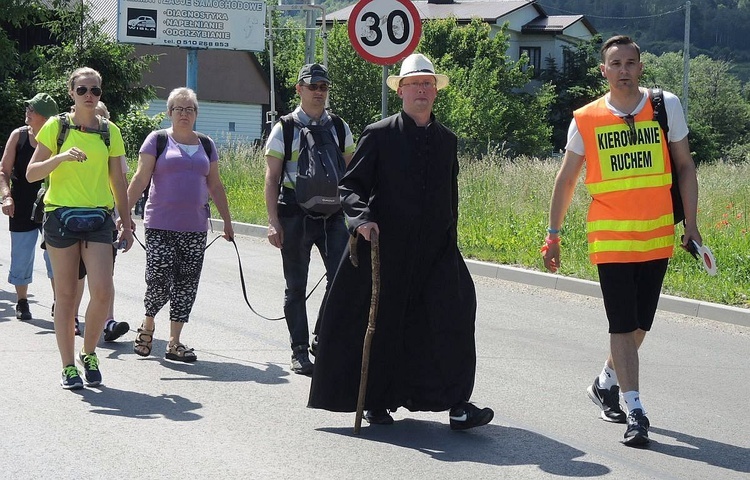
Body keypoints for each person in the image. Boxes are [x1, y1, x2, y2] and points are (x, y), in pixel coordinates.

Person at [308, 53, 494, 430]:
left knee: (453, 316)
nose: (422, 90)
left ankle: (457, 403)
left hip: (435, 252)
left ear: (435, 93)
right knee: (382, 325)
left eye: (428, 84)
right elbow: (352, 186)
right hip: (386, 248)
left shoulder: (447, 140)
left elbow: (450, 196)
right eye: (414, 85)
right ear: (402, 92)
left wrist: (450, 243)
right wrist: (362, 220)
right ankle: (377, 401)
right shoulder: (379, 134)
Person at [542, 35, 703, 447]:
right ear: (604, 70)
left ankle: (605, 381)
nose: (624, 69)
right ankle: (636, 411)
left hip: (656, 234)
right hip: (610, 237)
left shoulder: (665, 106)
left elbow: (684, 167)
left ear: (641, 68)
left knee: (639, 325)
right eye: (616, 63)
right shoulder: (587, 118)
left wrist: (692, 224)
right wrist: (553, 234)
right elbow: (566, 179)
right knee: (620, 322)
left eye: (631, 62)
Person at [27, 67, 134, 390]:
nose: (90, 95)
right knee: (68, 296)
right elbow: (32, 173)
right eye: (83, 90)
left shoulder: (109, 131)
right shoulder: (55, 127)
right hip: (60, 217)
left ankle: (89, 353)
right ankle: (67, 365)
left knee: (103, 290)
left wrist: (126, 223)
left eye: (95, 90)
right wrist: (60, 159)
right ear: (71, 93)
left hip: (99, 219)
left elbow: (118, 180)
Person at [127, 87, 233, 364]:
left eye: (190, 109)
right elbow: (140, 179)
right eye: (179, 109)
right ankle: (148, 325)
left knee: (186, 284)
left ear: (196, 114)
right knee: (159, 277)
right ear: (169, 112)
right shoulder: (158, 140)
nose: (184, 114)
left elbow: (215, 185)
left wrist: (228, 222)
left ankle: (174, 342)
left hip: (195, 227)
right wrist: (124, 214)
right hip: (160, 224)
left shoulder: (206, 145)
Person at [263, 63, 355, 375]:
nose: (318, 92)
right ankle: (299, 351)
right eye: (312, 86)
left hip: (333, 216)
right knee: (296, 287)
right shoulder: (284, 128)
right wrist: (273, 221)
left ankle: (321, 337)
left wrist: (357, 217)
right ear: (299, 89)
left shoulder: (340, 127)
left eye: (323, 87)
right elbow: (271, 177)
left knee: (342, 279)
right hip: (294, 213)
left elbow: (352, 175)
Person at [65, 101, 130, 342]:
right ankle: (72, 316)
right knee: (78, 277)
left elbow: (120, 182)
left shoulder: (112, 138)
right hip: (70, 217)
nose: (98, 122)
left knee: (104, 277)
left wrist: (125, 220)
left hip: (104, 219)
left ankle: (107, 322)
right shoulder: (68, 135)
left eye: (102, 118)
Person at [0, 93, 57, 320]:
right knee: (22, 254)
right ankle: (22, 301)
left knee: (55, 256)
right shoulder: (19, 136)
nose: (27, 112)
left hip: (51, 203)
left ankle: (59, 302)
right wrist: (6, 196)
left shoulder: (58, 137)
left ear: (44, 116)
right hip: (21, 202)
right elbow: (4, 170)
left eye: (32, 109)